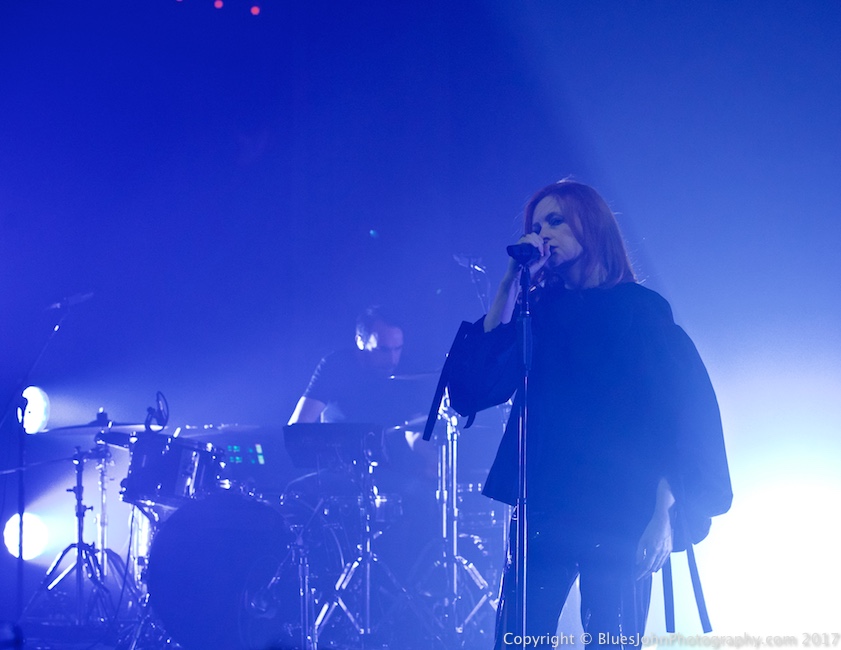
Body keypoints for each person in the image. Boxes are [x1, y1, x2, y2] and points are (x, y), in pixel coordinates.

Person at [446, 180, 732, 648]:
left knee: (612, 640)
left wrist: (663, 512)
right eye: (536, 226)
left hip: (621, 510)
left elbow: (680, 418)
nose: (543, 234)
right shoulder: (536, 312)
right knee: (518, 640)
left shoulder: (641, 312)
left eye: (555, 220)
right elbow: (474, 386)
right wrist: (508, 284)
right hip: (543, 506)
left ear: (591, 225)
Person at [288, 306, 407, 425]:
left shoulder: (406, 367)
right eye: (383, 350)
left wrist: (425, 439)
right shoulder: (337, 366)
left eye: (398, 349)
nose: (392, 359)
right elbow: (300, 424)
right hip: (339, 441)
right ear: (360, 342)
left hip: (391, 443)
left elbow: (417, 431)